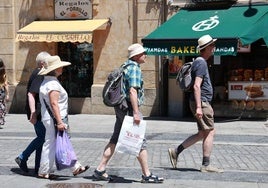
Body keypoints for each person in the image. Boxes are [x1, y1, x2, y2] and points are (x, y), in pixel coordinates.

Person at [93, 43, 164, 183]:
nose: (145, 55)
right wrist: (136, 112)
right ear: (137, 56)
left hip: (121, 107)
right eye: (143, 53)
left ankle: (100, 169)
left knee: (115, 139)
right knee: (140, 140)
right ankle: (146, 174)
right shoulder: (134, 69)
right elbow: (132, 91)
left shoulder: (124, 66)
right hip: (130, 109)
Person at [168, 35, 224, 173]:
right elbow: (197, 86)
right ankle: (206, 165)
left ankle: (176, 151)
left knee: (201, 133)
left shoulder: (199, 62)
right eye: (211, 46)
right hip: (201, 101)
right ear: (206, 48)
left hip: (201, 101)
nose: (213, 48)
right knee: (210, 132)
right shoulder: (201, 63)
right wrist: (200, 106)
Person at [38, 55, 89, 179]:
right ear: (55, 69)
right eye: (60, 67)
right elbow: (54, 103)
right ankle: (72, 167)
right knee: (56, 141)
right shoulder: (53, 84)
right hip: (55, 118)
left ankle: (73, 166)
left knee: (54, 142)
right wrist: (60, 122)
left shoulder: (46, 81)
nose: (62, 69)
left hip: (49, 117)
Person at [15, 52, 50, 174]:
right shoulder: (39, 73)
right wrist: (33, 113)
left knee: (42, 139)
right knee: (43, 137)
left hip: (38, 110)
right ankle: (22, 157)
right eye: (48, 61)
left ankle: (38, 167)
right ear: (42, 63)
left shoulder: (38, 72)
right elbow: (31, 93)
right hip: (37, 111)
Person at [0, 58, 9, 128]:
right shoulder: (3, 73)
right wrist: (7, 94)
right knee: (1, 106)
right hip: (1, 92)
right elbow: (6, 85)